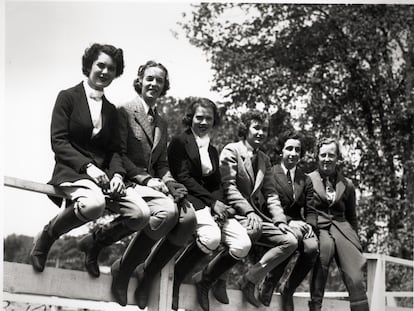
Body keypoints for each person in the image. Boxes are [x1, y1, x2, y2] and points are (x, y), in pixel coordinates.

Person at [30, 43, 150, 274]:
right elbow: (59, 142)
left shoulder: (112, 110)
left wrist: (116, 174)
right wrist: (88, 167)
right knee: (94, 204)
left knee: (141, 214)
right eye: (100, 65)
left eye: (111, 68)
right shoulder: (67, 97)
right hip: (74, 170)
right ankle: (47, 236)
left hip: (105, 177)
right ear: (89, 66)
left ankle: (95, 244)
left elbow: (116, 151)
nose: (105, 72)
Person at [107, 61, 197, 307]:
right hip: (128, 181)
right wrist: (146, 179)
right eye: (150, 79)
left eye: (159, 80)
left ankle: (147, 275)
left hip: (153, 186)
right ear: (140, 81)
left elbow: (162, 163)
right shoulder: (123, 111)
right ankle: (124, 269)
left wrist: (170, 183)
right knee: (167, 213)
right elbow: (119, 154)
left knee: (188, 219)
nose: (154, 84)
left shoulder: (162, 122)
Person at [167, 98, 251, 311]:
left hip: (213, 205)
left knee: (243, 244)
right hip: (191, 200)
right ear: (191, 118)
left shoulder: (212, 150)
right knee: (211, 238)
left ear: (214, 122)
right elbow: (184, 177)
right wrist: (212, 203)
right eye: (199, 117)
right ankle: (176, 278)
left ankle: (205, 279)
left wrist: (220, 206)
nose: (204, 122)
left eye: (209, 119)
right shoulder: (179, 142)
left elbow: (216, 182)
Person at [218, 110, 298, 307]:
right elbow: (228, 187)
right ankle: (218, 277)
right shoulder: (231, 150)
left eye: (264, 129)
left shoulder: (264, 159)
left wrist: (280, 221)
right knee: (253, 228)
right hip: (233, 212)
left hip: (256, 216)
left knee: (290, 241)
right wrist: (249, 211)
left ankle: (250, 280)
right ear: (246, 129)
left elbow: (271, 194)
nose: (261, 133)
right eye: (256, 128)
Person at [259, 130, 319, 310]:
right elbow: (264, 205)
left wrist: (310, 225)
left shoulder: (305, 179)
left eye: (297, 150)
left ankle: (288, 289)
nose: (293, 153)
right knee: (292, 237)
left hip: (300, 226)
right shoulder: (270, 173)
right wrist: (288, 221)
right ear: (281, 152)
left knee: (312, 248)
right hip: (273, 221)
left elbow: (311, 209)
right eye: (289, 148)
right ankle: (269, 282)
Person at [307, 137, 369, 311]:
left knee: (355, 273)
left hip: (342, 228)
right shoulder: (307, 180)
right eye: (323, 155)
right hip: (319, 226)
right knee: (323, 255)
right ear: (317, 157)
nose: (327, 159)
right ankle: (315, 305)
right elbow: (304, 209)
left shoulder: (347, 184)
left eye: (331, 155)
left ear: (338, 158)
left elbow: (352, 216)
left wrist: (355, 241)